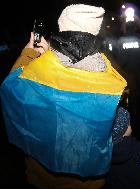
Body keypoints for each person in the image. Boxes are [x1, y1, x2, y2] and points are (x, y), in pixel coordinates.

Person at [1, 4, 127, 189]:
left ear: (62, 28)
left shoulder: (38, 70)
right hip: (91, 182)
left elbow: (10, 90)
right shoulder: (110, 78)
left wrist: (30, 54)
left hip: (44, 180)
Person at [115, 20, 140, 140]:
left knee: (129, 95)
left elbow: (117, 61)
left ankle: (130, 112)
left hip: (127, 74)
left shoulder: (120, 41)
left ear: (126, 28)